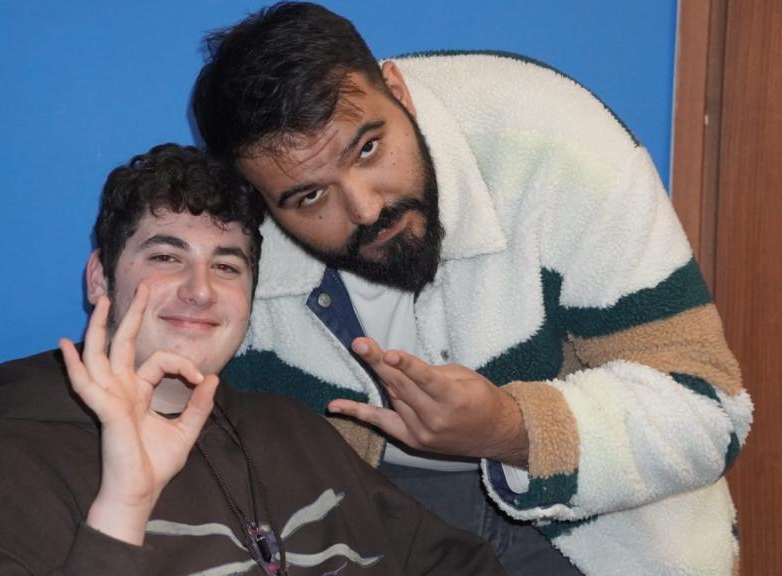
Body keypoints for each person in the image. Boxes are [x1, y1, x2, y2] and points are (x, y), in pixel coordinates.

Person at [191, 3, 752, 575]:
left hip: (604, 522)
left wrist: (509, 428)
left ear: (398, 91)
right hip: (378, 513)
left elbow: (708, 411)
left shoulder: (557, 145)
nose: (366, 208)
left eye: (368, 149)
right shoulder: (227, 245)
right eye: (311, 197)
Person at [0, 143, 504, 575]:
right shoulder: (8, 466)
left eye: (226, 265)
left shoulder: (294, 430)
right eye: (166, 258)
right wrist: (124, 505)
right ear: (99, 279)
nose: (200, 291)